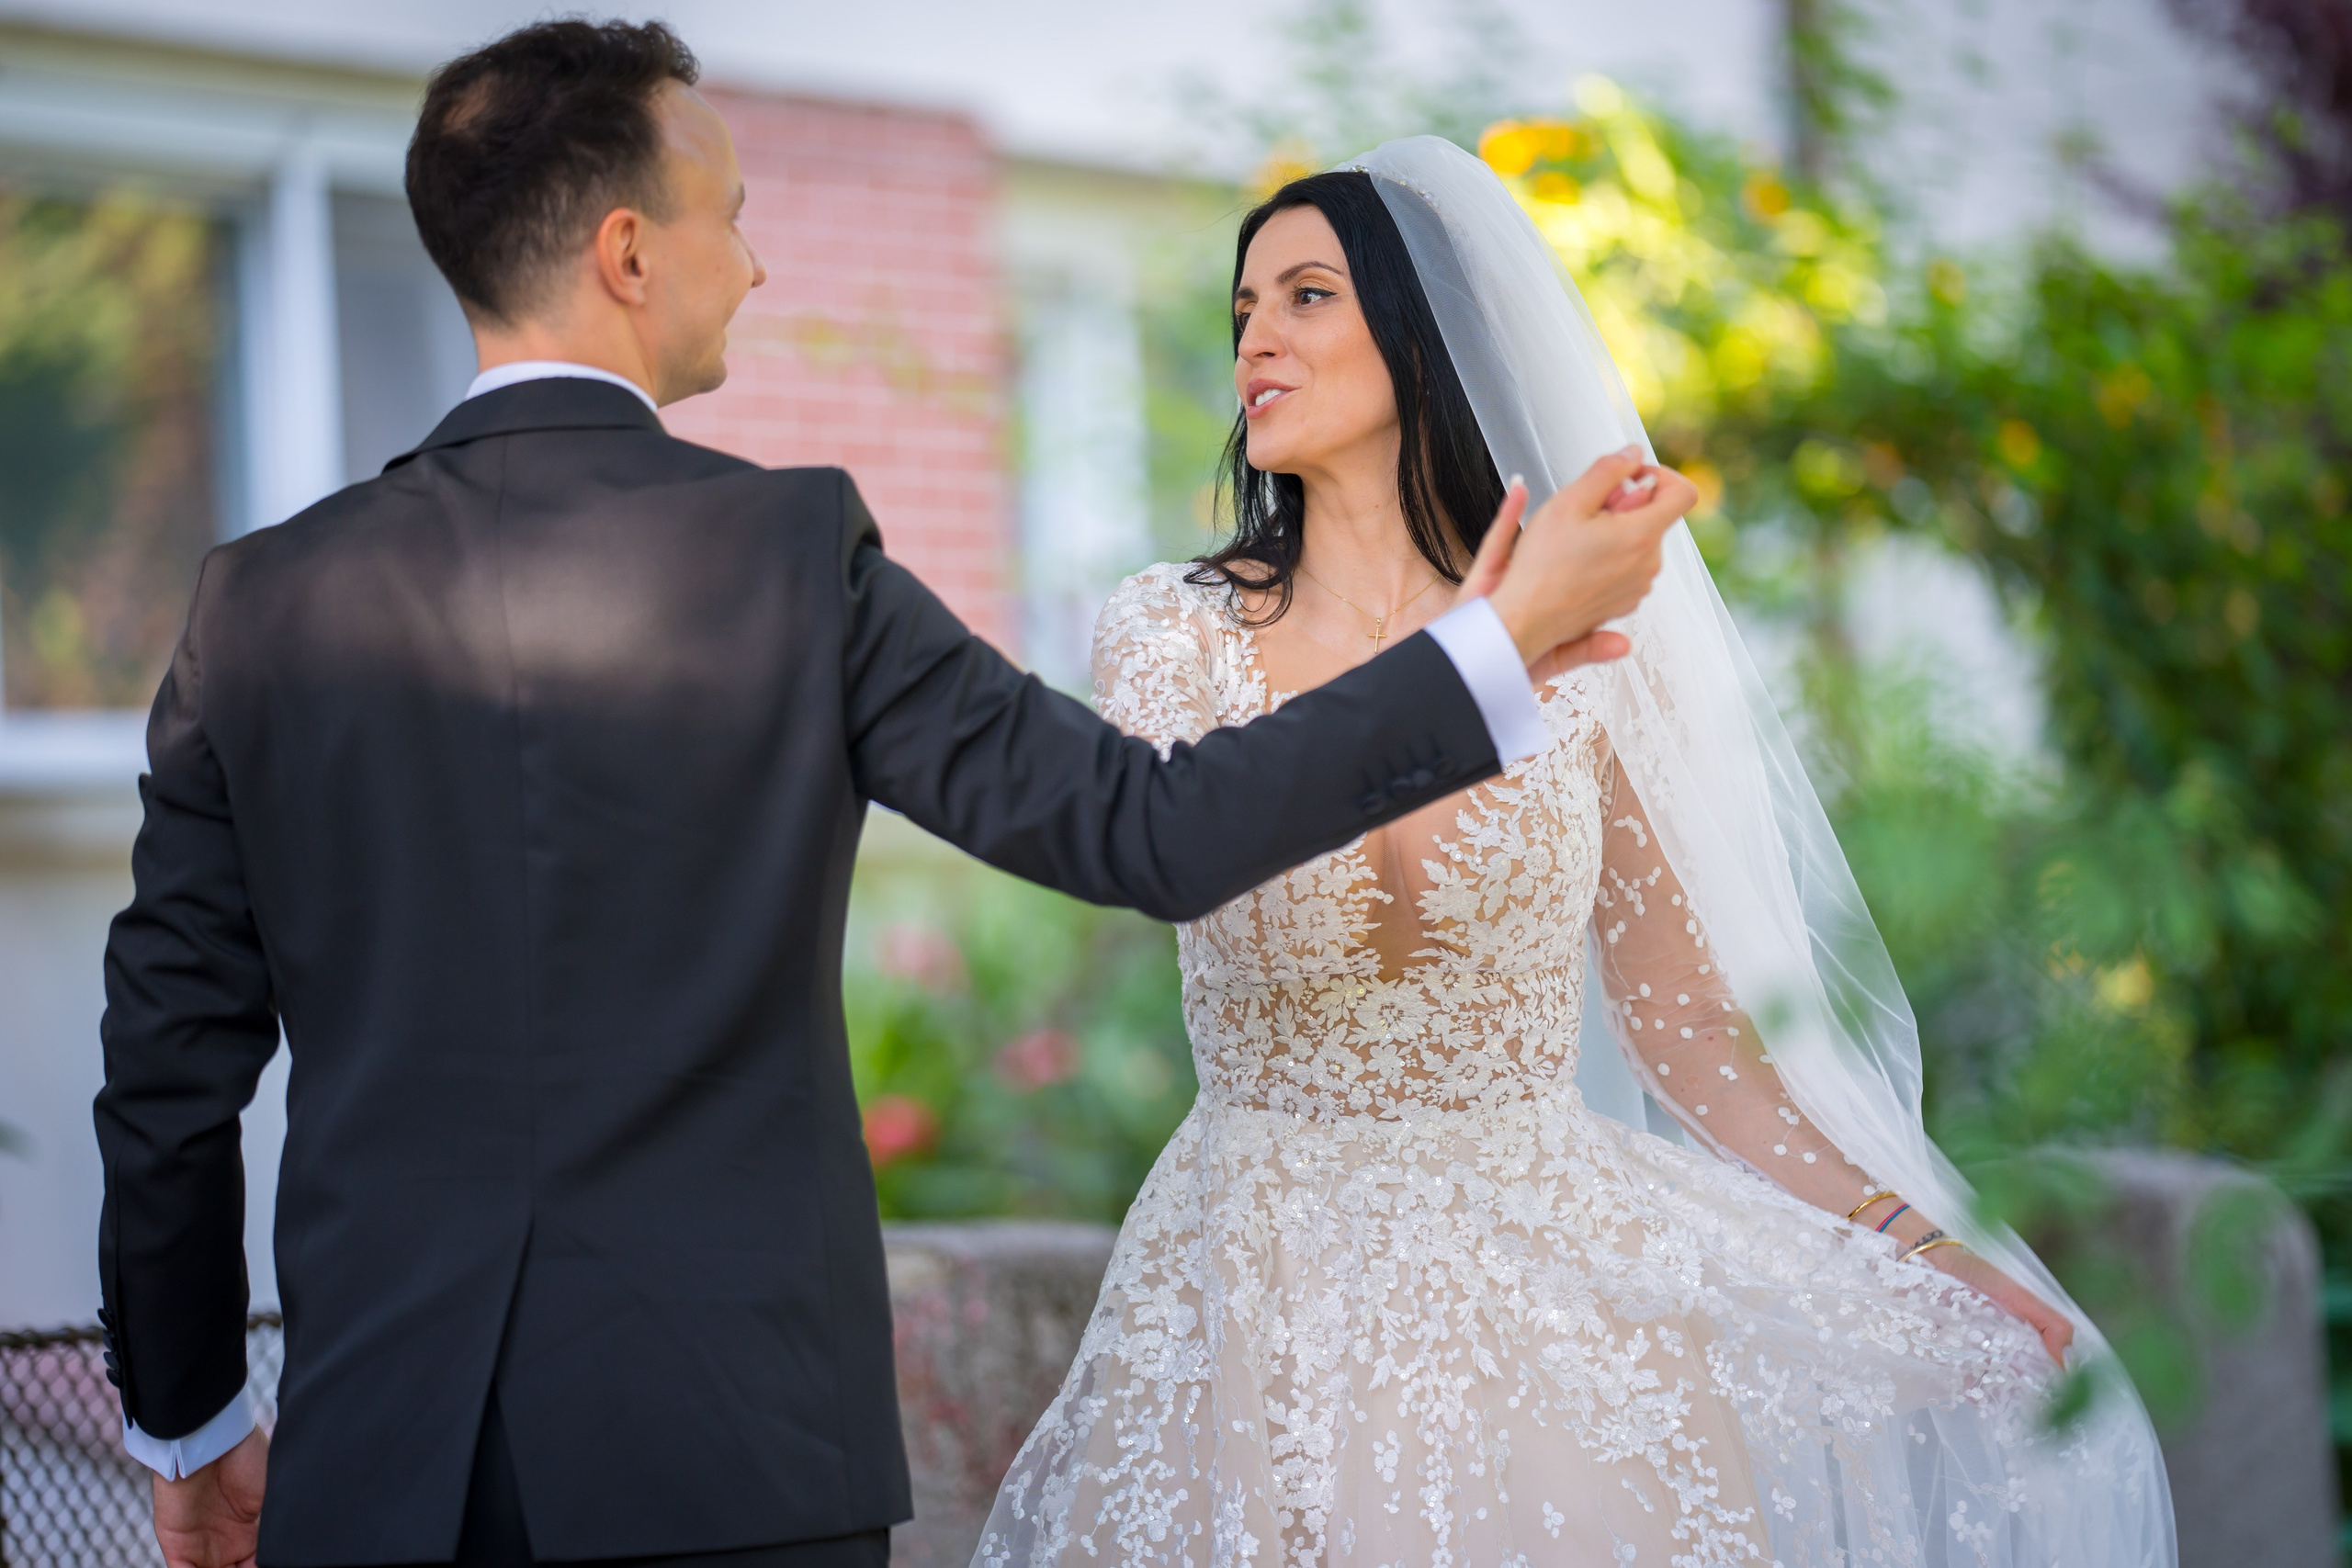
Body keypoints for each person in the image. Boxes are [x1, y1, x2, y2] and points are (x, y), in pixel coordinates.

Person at [89, 26, 1691, 1568]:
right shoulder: (789, 559)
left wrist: (189, 1419)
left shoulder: (256, 606)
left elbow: (165, 1078)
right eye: (730, 216)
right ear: (630, 254)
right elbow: (1153, 829)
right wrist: (1497, 645)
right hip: (738, 1465)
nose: (754, 265)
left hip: (384, 1472)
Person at [974, 142, 2177, 1568]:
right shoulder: (1165, 630)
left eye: (1306, 297)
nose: (1256, 342)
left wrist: (1918, 1242)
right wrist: (1475, 665)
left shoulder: (1599, 646)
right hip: (1254, 1287)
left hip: (1555, 1299)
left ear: (1420, 333)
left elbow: (1695, 1039)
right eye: (1243, 310)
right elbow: (1192, 845)